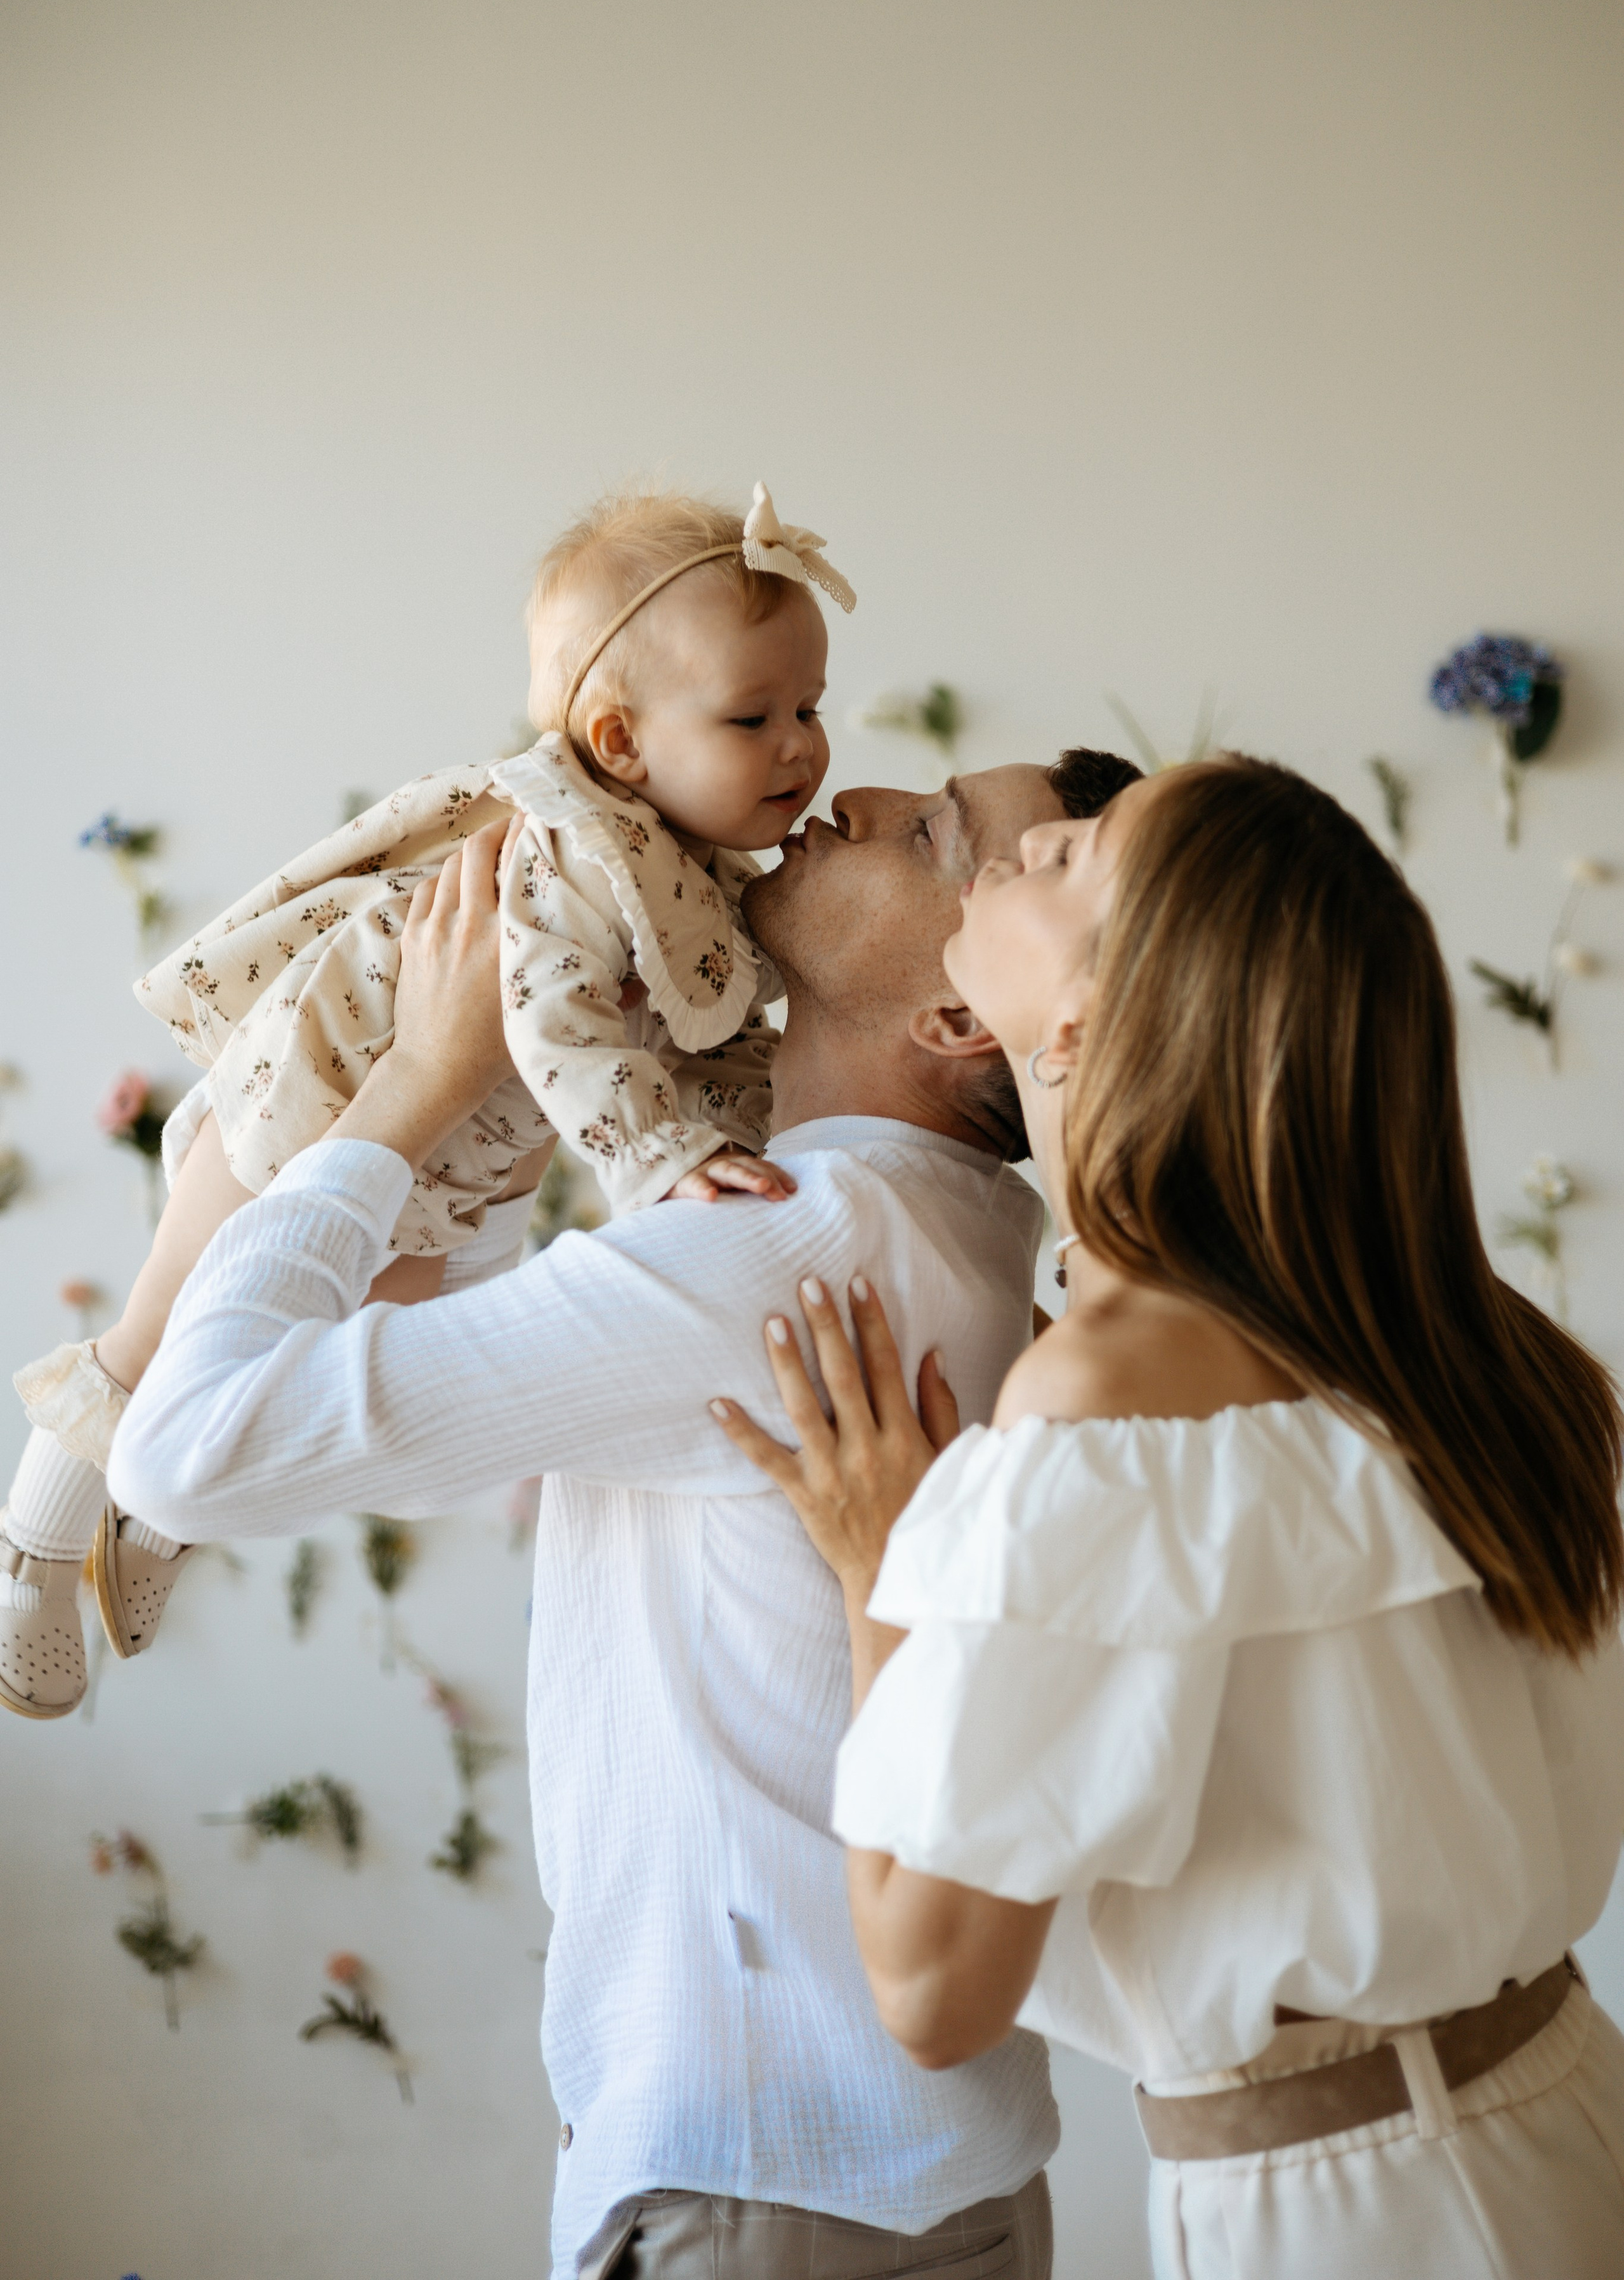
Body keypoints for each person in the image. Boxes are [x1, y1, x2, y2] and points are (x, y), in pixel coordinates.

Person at [105, 745, 1141, 2280]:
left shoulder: (780, 1253)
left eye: (928, 836)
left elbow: (189, 1447)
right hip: (953, 2180)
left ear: (956, 1014)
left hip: (759, 2183)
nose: (851, 798)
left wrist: (412, 1087)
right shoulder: (971, 1239)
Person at [714, 755, 1624, 2280]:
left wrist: (885, 1572)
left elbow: (931, 1991)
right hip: (1559, 2126)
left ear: (1087, 1022)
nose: (1028, 847)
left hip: (1360, 2219)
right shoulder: (1479, 1354)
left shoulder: (1109, 1401)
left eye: (1077, 857)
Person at [3, 481, 848, 1717]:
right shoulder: (573, 851)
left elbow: (710, 1044)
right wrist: (662, 1156)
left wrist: (744, 1133)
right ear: (620, 744)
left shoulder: (696, 879)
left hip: (440, 1167)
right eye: (754, 716)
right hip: (310, 1105)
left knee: (320, 1369)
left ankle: (162, 1510)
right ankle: (29, 1555)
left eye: (811, 708)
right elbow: (555, 1024)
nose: (802, 747)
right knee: (152, 1337)